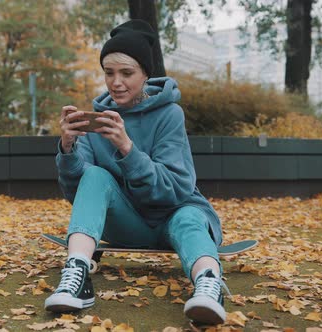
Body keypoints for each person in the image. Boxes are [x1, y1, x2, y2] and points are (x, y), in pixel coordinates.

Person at [43, 19, 229, 325]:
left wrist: (128, 149)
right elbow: (79, 194)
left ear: (145, 74)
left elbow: (177, 189)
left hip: (174, 214)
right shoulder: (98, 121)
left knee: (189, 217)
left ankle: (208, 285)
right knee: (95, 176)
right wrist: (67, 148)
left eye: (127, 73)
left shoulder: (169, 114)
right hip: (129, 224)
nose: (116, 82)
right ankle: (76, 272)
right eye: (109, 72)